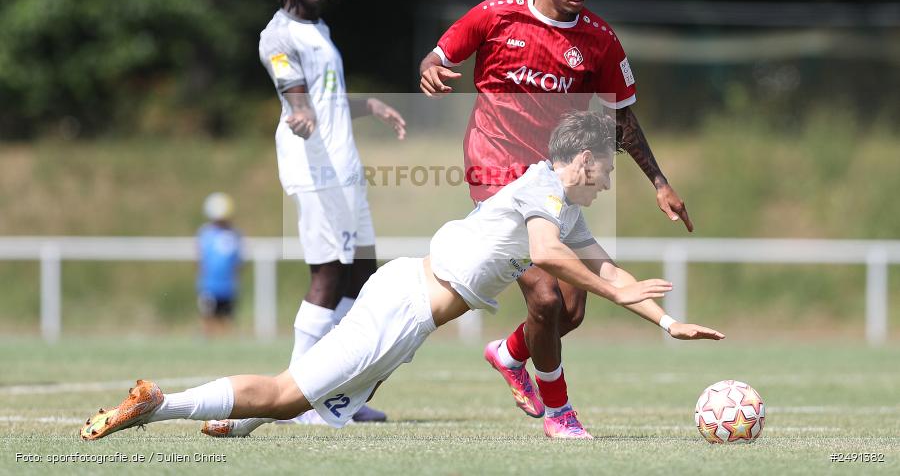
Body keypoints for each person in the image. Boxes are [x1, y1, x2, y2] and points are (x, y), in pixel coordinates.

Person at [79, 111, 723, 442]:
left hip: (406, 301)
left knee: (323, 401)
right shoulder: (542, 195)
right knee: (288, 396)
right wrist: (612, 290)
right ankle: (162, 405)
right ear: (583, 160)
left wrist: (667, 321)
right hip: (407, 308)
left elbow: (604, 265)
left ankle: (232, 419)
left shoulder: (555, 200)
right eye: (607, 169)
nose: (610, 180)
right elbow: (552, 257)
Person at [419, 0, 694, 438]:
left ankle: (510, 352)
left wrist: (658, 181)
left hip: (555, 175)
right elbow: (438, 55)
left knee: (570, 308)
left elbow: (621, 117)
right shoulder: (495, 16)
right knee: (545, 295)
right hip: (495, 168)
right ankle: (560, 414)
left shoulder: (599, 41)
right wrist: (429, 67)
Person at [256, 0, 406, 426]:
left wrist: (369, 106)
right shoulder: (278, 36)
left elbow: (326, 96)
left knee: (363, 276)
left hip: (344, 170)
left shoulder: (319, 29)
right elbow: (294, 91)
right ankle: (295, 399)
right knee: (327, 275)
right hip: (314, 171)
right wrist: (298, 112)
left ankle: (338, 391)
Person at [196, 193, 242, 338]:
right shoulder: (205, 233)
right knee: (208, 317)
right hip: (209, 285)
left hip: (228, 286)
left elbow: (238, 261)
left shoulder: (235, 234)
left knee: (227, 319)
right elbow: (200, 259)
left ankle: (226, 345)